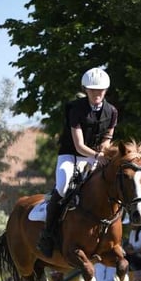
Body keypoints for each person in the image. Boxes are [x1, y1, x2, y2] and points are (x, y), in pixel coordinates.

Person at [38, 67, 118, 257]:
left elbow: (108, 137)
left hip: (96, 155)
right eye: (92, 90)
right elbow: (79, 145)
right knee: (64, 186)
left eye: (99, 90)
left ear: (105, 91)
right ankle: (48, 235)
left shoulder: (112, 111)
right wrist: (97, 156)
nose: (96, 94)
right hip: (71, 155)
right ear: (86, 90)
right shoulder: (75, 109)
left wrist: (103, 152)